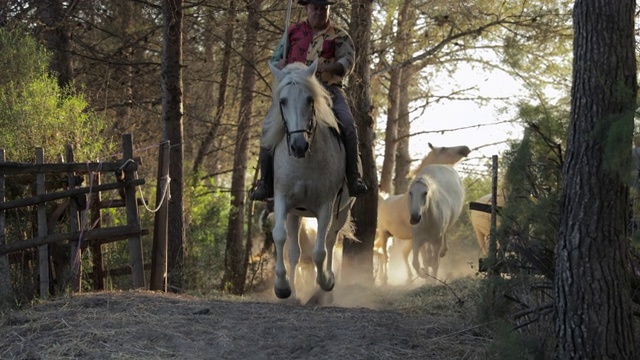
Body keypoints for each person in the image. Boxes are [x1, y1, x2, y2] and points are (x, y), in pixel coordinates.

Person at [249, 0, 369, 201]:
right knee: (268, 127)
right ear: (307, 8)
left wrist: (328, 68)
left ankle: (353, 178)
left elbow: (347, 62)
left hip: (328, 90)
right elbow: (275, 60)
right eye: (315, 7)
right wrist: (278, 63)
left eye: (324, 8)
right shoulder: (292, 32)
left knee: (348, 125)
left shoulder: (339, 35)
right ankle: (265, 183)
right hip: (295, 93)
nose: (320, 12)